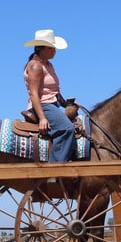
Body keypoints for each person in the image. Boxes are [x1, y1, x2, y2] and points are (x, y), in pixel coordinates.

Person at [23, 29, 76, 162]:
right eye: (52, 48)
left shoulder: (48, 65)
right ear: (43, 48)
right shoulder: (36, 66)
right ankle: (54, 173)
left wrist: (66, 103)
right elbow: (34, 94)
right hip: (42, 106)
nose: (55, 50)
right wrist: (42, 118)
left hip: (51, 105)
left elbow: (53, 91)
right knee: (67, 129)